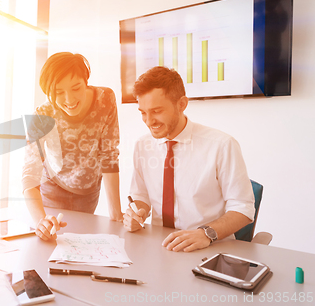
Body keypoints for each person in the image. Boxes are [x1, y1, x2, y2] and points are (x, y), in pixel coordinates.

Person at [123, 66, 255, 252]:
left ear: (182, 104)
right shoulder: (142, 145)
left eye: (157, 111)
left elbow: (243, 209)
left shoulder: (222, 145)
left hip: (210, 248)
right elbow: (140, 195)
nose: (149, 121)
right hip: (161, 247)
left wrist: (205, 233)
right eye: (143, 112)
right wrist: (137, 213)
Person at [22, 52, 122, 241]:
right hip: (51, 188)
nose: (69, 99)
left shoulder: (105, 99)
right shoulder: (43, 114)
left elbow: (109, 155)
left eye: (76, 88)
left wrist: (116, 214)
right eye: (59, 92)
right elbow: (29, 174)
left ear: (86, 81)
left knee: (79, 246)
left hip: (88, 190)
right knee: (48, 243)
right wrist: (40, 221)